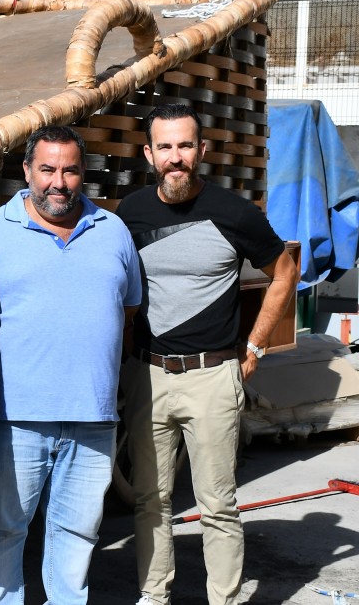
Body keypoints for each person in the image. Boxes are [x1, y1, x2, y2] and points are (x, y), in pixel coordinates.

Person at [115, 103, 297, 605]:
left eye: (185, 146)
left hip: (213, 376)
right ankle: (154, 596)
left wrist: (255, 344)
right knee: (150, 502)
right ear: (150, 154)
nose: (177, 158)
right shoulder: (129, 214)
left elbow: (285, 272)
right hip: (146, 377)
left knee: (217, 504)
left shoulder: (235, 213)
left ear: (202, 150)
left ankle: (225, 599)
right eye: (166, 147)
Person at [0, 125, 141, 604]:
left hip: (92, 420)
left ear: (82, 173)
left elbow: (127, 312)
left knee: (78, 535)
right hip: (16, 419)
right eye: (47, 169)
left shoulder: (113, 230)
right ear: (27, 171)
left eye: (69, 171)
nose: (58, 182)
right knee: (4, 532)